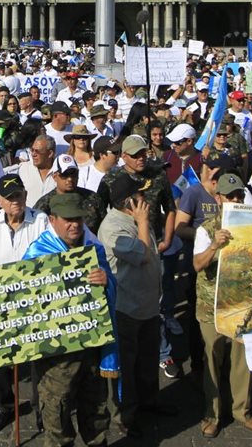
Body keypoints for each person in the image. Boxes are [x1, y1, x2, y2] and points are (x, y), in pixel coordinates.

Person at [24, 192, 112, 447]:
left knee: (95, 408)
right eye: (68, 219)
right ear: (53, 220)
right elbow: (24, 302)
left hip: (90, 348)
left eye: (79, 219)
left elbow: (112, 288)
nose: (75, 225)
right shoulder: (38, 252)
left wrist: (106, 281)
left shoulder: (94, 249)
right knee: (57, 413)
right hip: (56, 358)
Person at [97, 171, 174, 438]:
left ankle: (150, 403)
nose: (147, 199)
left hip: (148, 305)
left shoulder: (136, 219)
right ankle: (126, 416)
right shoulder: (112, 228)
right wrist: (143, 223)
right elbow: (141, 254)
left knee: (148, 359)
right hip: (127, 308)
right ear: (129, 202)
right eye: (141, 195)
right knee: (127, 366)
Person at [192, 173, 252, 437]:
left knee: (242, 359)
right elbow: (198, 265)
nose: (235, 200)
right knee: (212, 358)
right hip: (211, 305)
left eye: (239, 195)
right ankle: (211, 414)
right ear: (218, 198)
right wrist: (215, 245)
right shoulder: (206, 229)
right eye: (230, 196)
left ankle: (242, 411)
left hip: (242, 303)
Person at [0, 175, 49, 432]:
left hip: (35, 300)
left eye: (19, 195)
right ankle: (5, 404)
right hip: (1, 301)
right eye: (10, 197)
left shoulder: (40, 220)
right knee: (1, 358)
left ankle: (43, 408)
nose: (16, 201)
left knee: (39, 358)